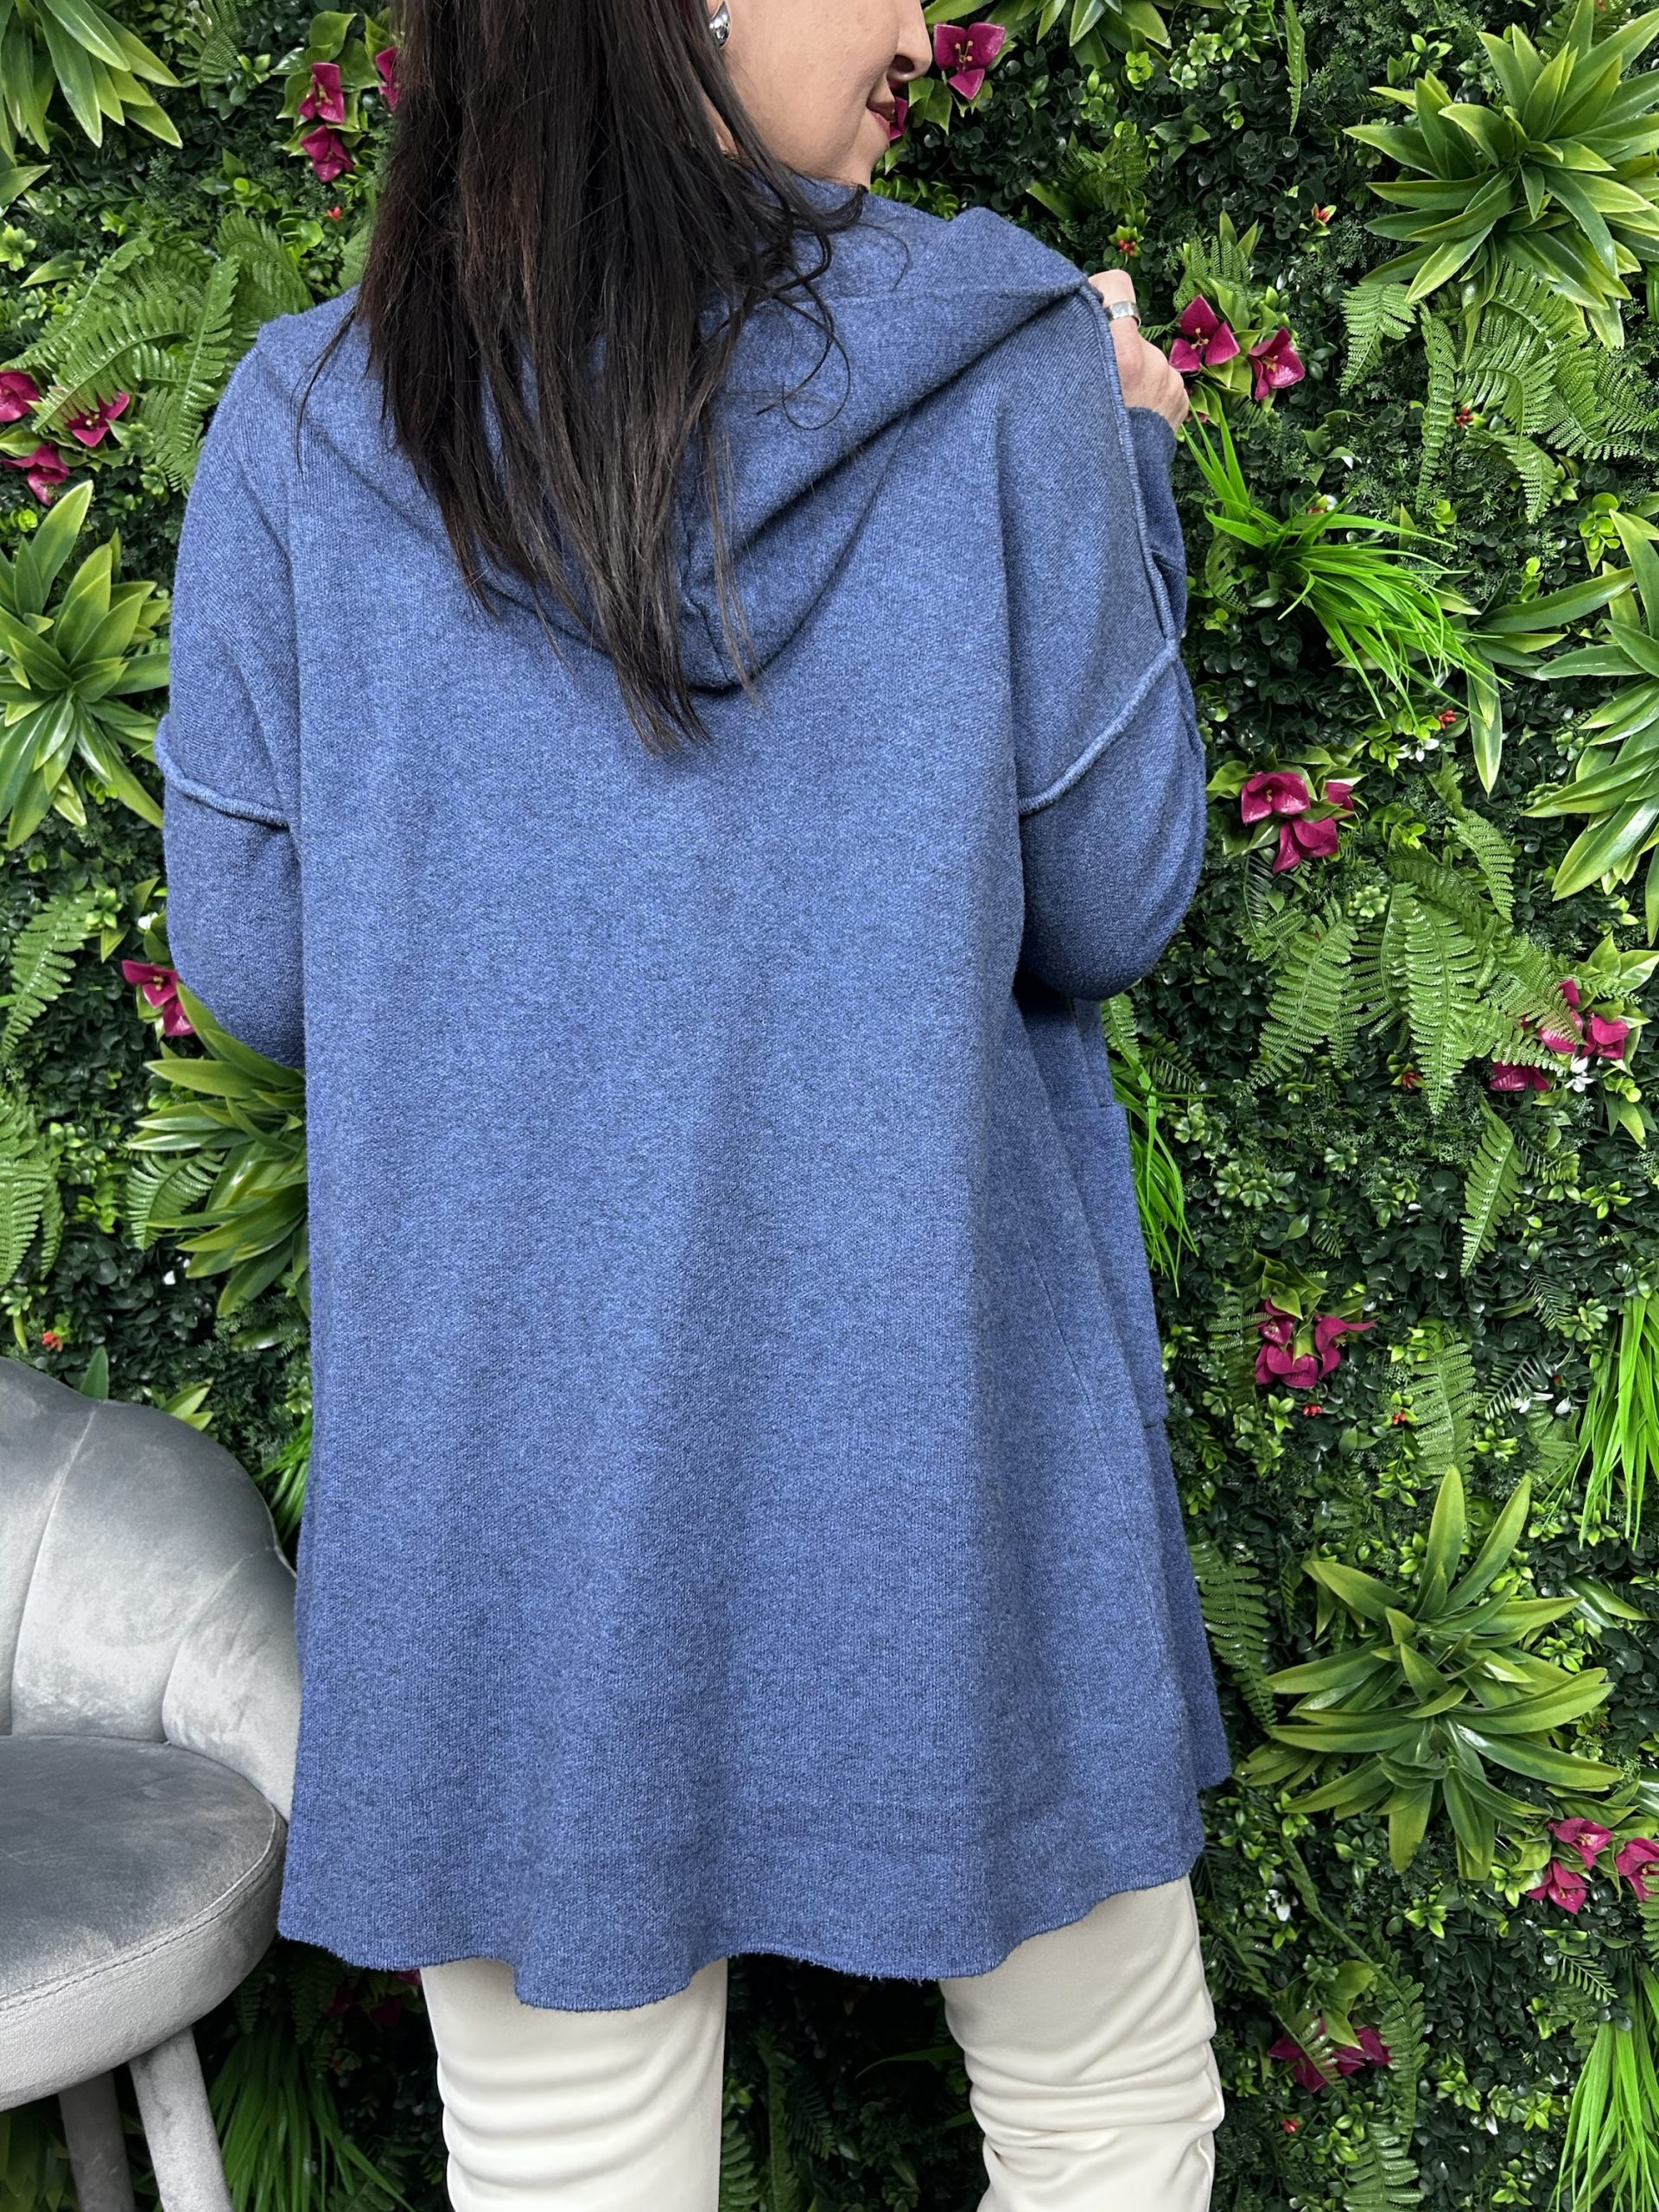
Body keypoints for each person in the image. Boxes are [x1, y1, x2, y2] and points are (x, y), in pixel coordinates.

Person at [152, 0, 1232, 2198]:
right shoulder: (1013, 362)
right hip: (951, 1435)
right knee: (1103, 2105)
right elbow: (1113, 896)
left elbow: (258, 967)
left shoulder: (312, 416)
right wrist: (1130, 464)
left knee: (566, 2153)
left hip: (512, 1474)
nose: (924, 27)